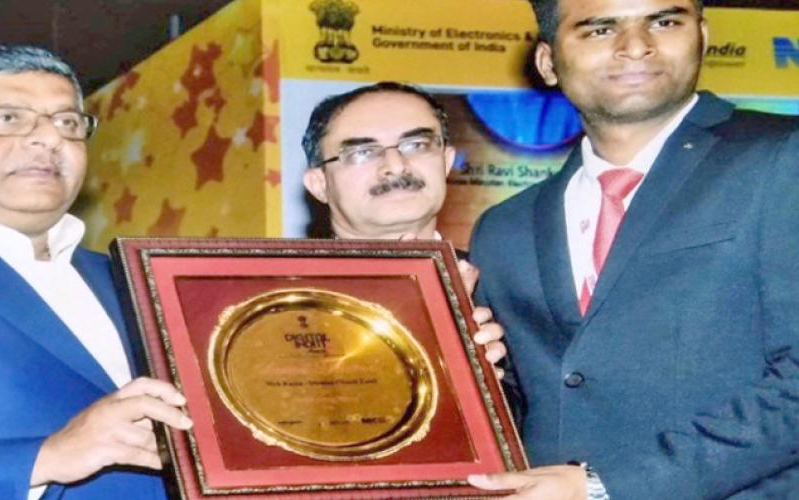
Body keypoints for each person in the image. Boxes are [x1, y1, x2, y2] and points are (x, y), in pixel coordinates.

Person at [467, 0, 799, 498]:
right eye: (599, 29)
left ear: (703, 36)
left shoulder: (782, 156)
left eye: (664, 22)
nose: (637, 46)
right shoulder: (502, 228)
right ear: (547, 62)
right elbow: (529, 401)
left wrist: (605, 486)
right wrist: (469, 374)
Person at [0, 44, 192, 499]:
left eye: (68, 123)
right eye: (7, 118)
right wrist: (43, 459)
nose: (49, 138)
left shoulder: (134, 280)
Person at [301, 80, 515, 408]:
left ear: (446, 161)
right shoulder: (276, 297)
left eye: (416, 144)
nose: (396, 166)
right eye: (362, 152)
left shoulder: (508, 291)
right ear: (319, 184)